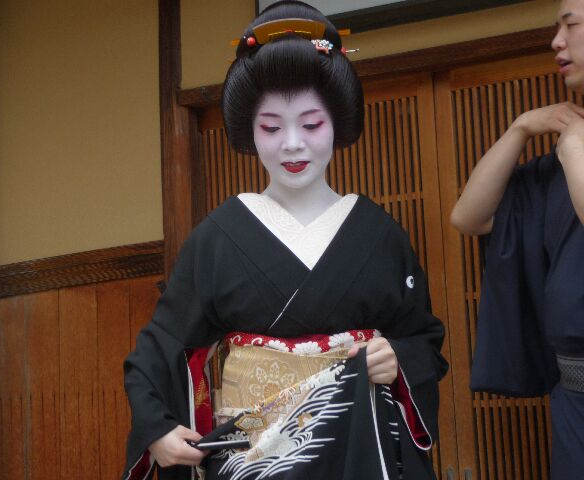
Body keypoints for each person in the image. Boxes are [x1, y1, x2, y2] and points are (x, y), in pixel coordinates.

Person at [123, 2, 447, 479]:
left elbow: (423, 338)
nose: (293, 143)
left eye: (311, 124)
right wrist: (157, 428)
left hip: (360, 448)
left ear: (337, 123)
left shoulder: (378, 233)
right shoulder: (219, 237)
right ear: (250, 131)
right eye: (271, 127)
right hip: (253, 459)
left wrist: (397, 358)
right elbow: (161, 346)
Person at [450, 0, 584, 477]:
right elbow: (470, 217)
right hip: (574, 392)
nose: (556, 41)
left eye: (571, 25)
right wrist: (520, 128)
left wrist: (575, 151)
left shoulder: (572, 152)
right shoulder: (558, 163)